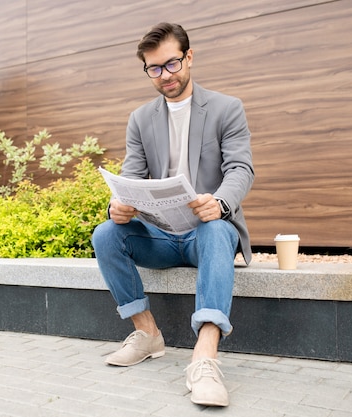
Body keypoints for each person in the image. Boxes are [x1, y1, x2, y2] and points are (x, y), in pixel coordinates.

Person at [91, 22, 254, 407]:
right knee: (105, 234)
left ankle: (205, 359)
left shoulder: (226, 108)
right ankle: (147, 334)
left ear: (189, 57)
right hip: (163, 235)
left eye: (171, 64)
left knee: (215, 229)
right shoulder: (140, 119)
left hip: (206, 232)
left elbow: (241, 169)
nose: (164, 75)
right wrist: (120, 205)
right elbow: (130, 176)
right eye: (154, 68)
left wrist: (220, 203)